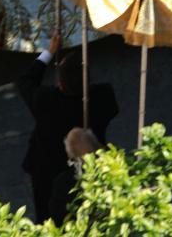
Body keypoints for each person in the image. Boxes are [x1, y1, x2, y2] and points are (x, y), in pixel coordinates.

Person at [18, 33, 118, 224]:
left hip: (47, 168)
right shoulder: (102, 97)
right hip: (90, 162)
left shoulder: (45, 101)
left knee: (47, 215)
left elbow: (26, 81)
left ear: (60, 83)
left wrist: (49, 52)